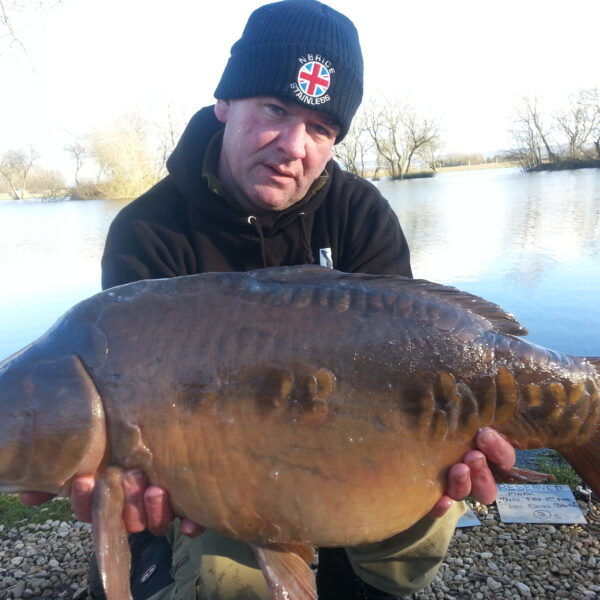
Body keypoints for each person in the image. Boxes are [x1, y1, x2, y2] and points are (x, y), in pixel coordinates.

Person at [21, 1, 516, 598]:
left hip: (356, 450)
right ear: (224, 105)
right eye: (275, 110)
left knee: (432, 507)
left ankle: (360, 575)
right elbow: (132, 418)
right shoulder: (149, 230)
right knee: (220, 573)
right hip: (218, 479)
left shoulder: (360, 215)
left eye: (320, 128)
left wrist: (475, 432)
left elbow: (415, 362)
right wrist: (119, 490)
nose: (292, 145)